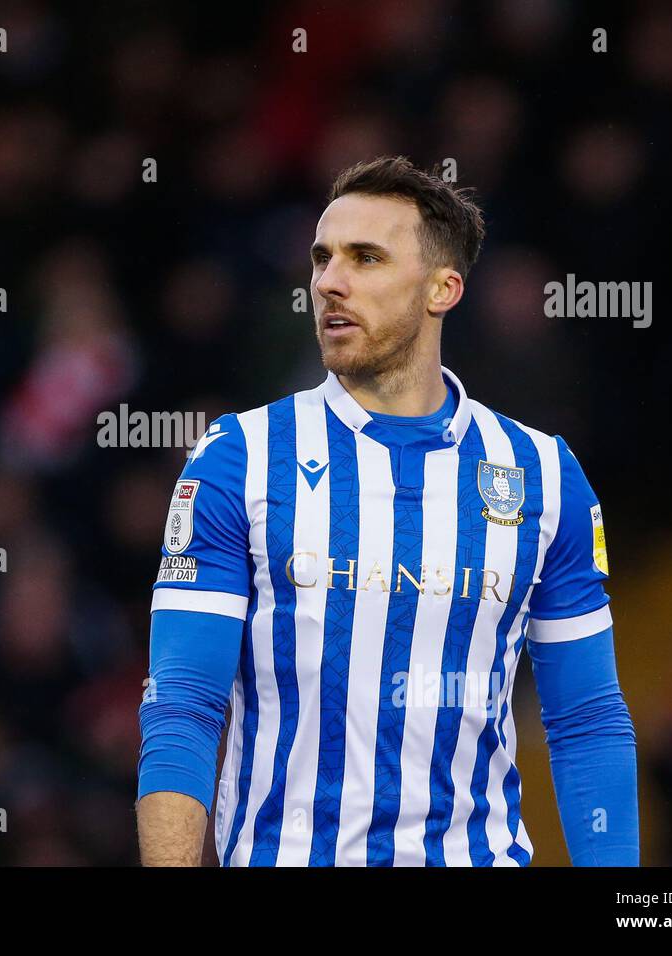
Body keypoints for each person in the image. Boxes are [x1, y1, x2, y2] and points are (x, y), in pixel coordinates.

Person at [136, 156, 638, 867]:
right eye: (322, 258)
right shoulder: (238, 457)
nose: (329, 282)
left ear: (443, 289)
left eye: (366, 258)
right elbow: (183, 705)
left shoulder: (543, 476)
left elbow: (587, 720)